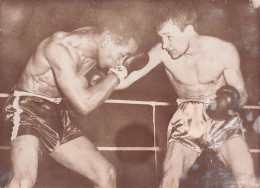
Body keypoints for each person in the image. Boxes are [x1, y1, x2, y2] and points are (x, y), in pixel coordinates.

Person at [116, 2, 258, 188]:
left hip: (222, 117)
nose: (165, 44)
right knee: (170, 180)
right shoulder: (161, 51)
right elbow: (126, 80)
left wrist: (230, 102)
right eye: (162, 38)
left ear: (189, 30)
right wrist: (104, 79)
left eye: (169, 37)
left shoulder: (223, 51)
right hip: (186, 117)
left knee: (246, 178)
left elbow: (242, 92)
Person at [3, 12, 147, 188]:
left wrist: (105, 77)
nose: (121, 62)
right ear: (107, 41)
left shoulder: (96, 41)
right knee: (23, 180)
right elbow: (84, 105)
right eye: (122, 55)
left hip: (57, 113)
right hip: (28, 109)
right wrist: (119, 73)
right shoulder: (59, 48)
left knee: (105, 174)